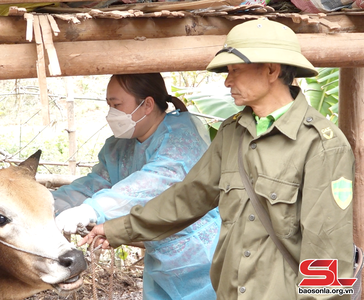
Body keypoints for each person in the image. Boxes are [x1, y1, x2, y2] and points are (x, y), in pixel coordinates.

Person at [79, 19, 355, 299]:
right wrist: (117, 229)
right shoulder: (232, 132)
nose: (227, 80)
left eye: (235, 70)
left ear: (272, 70)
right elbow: (188, 198)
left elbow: (327, 248)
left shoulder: (321, 144)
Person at [52, 73, 222, 299]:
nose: (111, 113)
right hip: (160, 256)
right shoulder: (121, 147)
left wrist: (92, 209)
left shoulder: (181, 137)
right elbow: (96, 183)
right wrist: (49, 203)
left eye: (117, 105)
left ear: (147, 105)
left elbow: (153, 183)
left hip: (200, 256)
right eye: (109, 105)